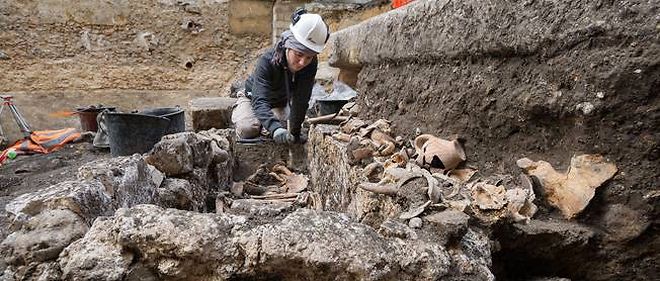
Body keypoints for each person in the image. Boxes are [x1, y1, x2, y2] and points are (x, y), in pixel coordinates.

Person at [231, 8, 330, 144]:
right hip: (252, 98)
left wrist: (294, 132)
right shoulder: (268, 61)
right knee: (248, 129)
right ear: (288, 45)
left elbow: (301, 99)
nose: (302, 62)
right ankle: (243, 114)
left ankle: (266, 124)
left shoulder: (310, 64)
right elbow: (259, 100)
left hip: (279, 103)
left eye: (308, 57)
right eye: (299, 54)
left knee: (285, 129)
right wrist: (274, 128)